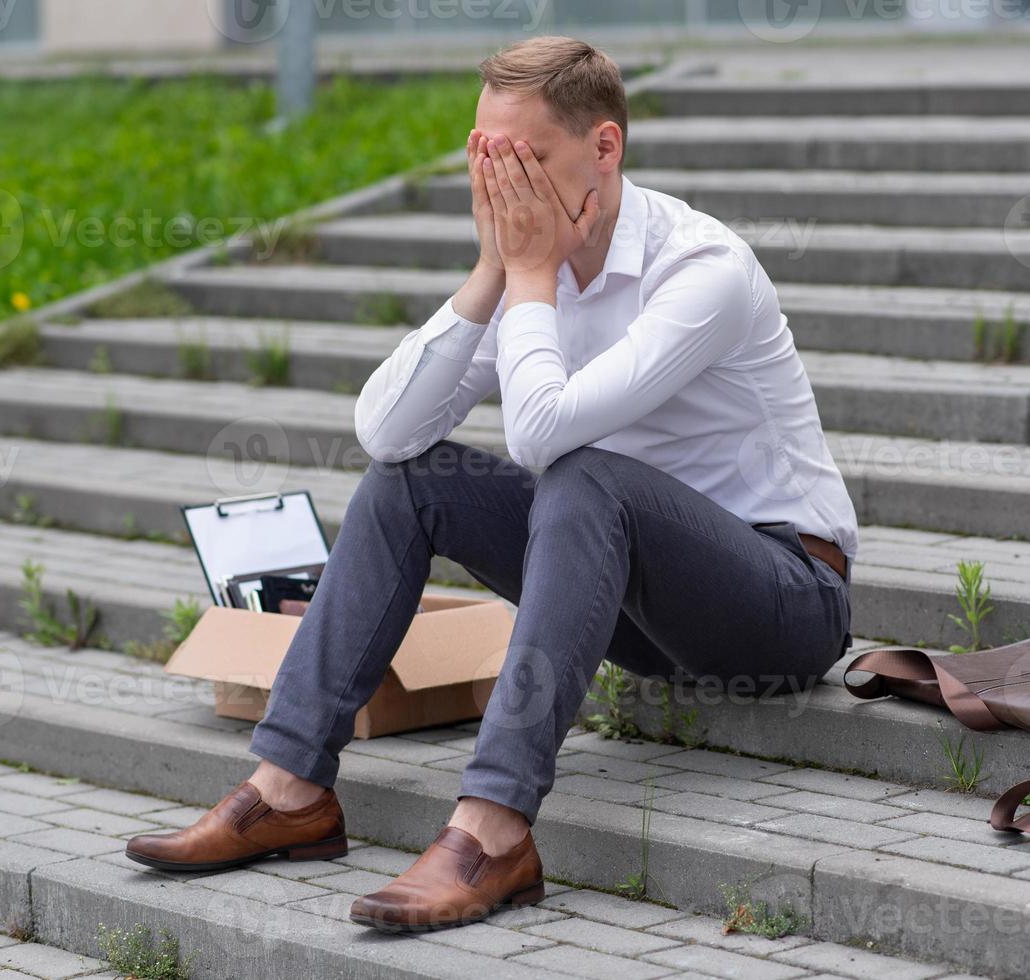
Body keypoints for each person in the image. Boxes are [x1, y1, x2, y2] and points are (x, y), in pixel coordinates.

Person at [125, 35, 857, 932]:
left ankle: (495, 831)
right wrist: (491, 274)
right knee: (412, 480)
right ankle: (288, 787)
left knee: (587, 477)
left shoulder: (701, 270)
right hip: (641, 612)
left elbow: (544, 436)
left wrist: (532, 276)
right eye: (488, 159)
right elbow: (384, 432)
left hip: (781, 602)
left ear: (606, 148)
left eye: (529, 158)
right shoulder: (523, 264)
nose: (508, 184)